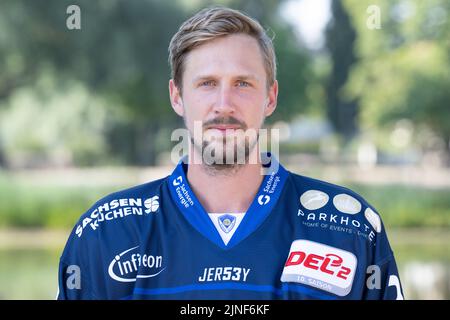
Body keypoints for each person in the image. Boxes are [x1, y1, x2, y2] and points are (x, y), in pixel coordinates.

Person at [57, 6, 404, 300]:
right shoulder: (107, 232)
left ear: (270, 96)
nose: (224, 105)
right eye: (207, 83)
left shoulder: (350, 228)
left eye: (243, 83)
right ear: (177, 96)